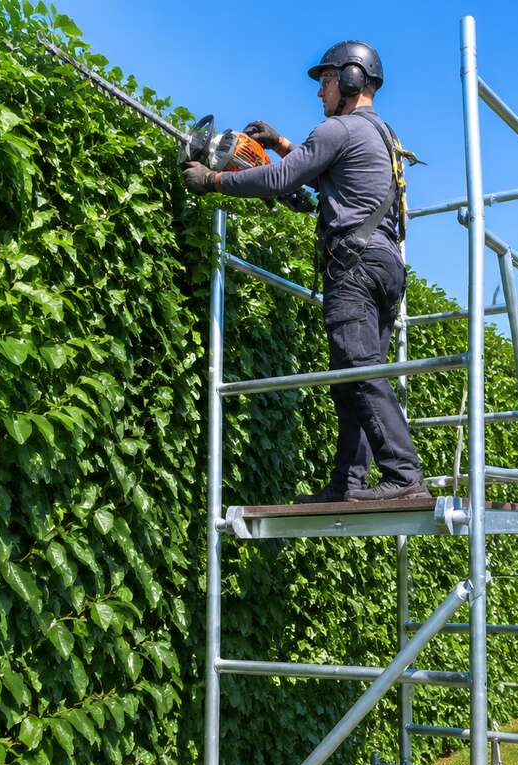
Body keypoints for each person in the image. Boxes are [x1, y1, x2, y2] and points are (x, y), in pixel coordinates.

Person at [182, 40, 430, 503]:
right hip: (384, 264)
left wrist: (214, 180)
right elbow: (321, 169)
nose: (320, 93)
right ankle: (349, 483)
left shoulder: (338, 128)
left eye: (326, 81)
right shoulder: (381, 135)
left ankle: (404, 476)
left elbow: (280, 178)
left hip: (354, 267)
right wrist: (279, 143)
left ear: (351, 79)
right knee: (352, 377)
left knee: (357, 369)